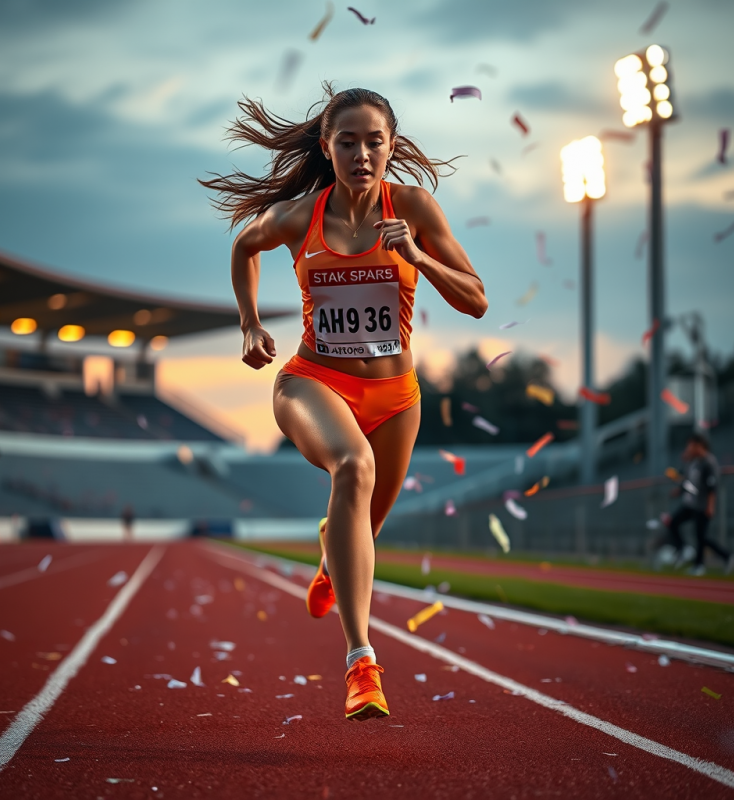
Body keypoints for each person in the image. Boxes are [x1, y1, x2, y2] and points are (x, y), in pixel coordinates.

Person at [201, 85, 486, 720]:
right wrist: (249, 323)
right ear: (327, 148)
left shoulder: (412, 208)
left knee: (363, 527)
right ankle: (362, 663)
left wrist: (416, 257)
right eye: (348, 142)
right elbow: (244, 247)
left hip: (395, 398)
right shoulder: (300, 216)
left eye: (374, 141)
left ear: (390, 147)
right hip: (312, 382)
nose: (362, 153)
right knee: (353, 469)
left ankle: (333, 552)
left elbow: (476, 298)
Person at [664, 432, 734, 576]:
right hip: (690, 504)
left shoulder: (708, 462)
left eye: (690, 445)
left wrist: (710, 506)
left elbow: (712, 487)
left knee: (701, 536)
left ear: (699, 445)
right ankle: (684, 549)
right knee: (673, 523)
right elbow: (687, 481)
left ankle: (704, 563)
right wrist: (679, 490)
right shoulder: (693, 462)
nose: (688, 448)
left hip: (702, 504)